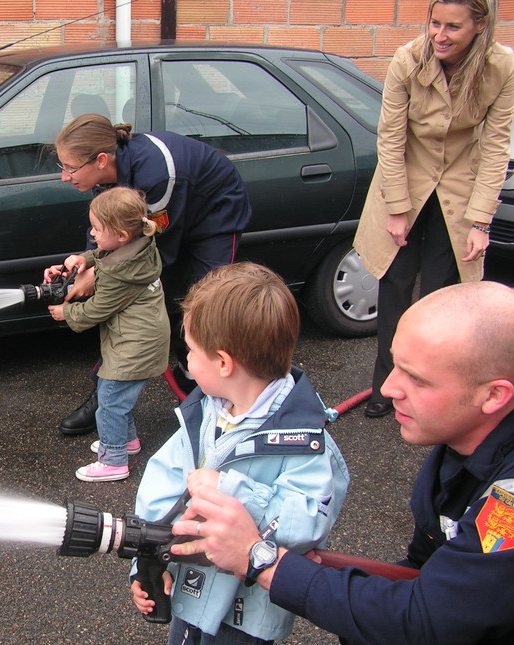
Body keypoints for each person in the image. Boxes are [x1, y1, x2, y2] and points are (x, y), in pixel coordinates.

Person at [170, 280, 514, 644]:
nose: (387, 389)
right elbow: (423, 570)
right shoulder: (460, 447)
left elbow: (430, 620)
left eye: (417, 379)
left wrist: (259, 559)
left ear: (493, 395)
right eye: (394, 364)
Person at [131, 263, 349, 643]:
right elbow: (160, 492)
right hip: (190, 590)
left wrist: (232, 492)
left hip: (248, 613)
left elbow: (308, 521)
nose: (187, 362)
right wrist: (145, 559)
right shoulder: (202, 415)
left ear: (223, 362)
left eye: (191, 351)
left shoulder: (305, 439)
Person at [354, 0, 514, 418]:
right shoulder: (407, 60)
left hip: (460, 186)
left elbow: (496, 145)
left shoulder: (502, 66)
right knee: (395, 285)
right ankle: (385, 388)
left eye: (453, 27)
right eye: (434, 23)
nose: (440, 35)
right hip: (404, 178)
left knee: (441, 293)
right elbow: (389, 138)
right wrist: (396, 208)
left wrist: (481, 221)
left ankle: (427, 389)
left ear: (480, 26)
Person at [51, 114, 253, 435]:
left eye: (70, 167)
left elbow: (149, 246)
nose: (64, 177)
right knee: (132, 312)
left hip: (212, 215)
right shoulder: (107, 176)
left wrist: (100, 276)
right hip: (163, 220)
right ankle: (105, 397)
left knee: (210, 308)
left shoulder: (156, 175)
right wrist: (87, 265)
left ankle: (202, 390)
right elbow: (108, 229)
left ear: (101, 160)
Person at [46, 186, 170, 482]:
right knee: (117, 397)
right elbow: (104, 251)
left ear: (121, 235)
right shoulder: (138, 245)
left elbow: (96, 310)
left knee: (110, 401)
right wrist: (84, 259)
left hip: (135, 345)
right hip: (139, 338)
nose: (92, 233)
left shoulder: (119, 274)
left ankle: (114, 460)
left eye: (97, 229)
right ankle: (126, 442)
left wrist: (67, 313)